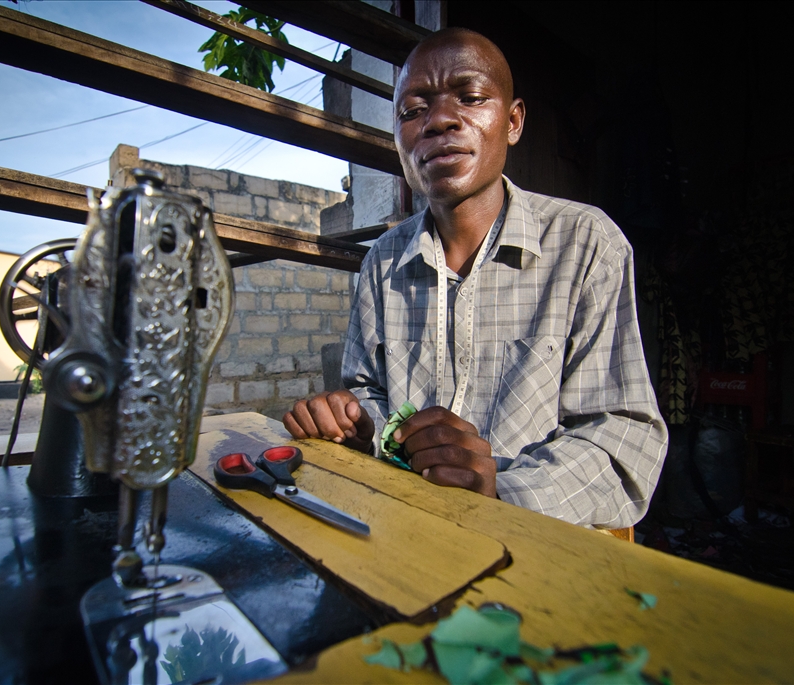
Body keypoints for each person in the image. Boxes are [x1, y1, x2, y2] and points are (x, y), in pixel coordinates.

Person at [283, 28, 668, 529]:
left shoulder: (585, 243)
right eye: (412, 111)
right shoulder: (382, 260)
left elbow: (621, 437)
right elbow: (367, 393)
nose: (439, 121)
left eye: (470, 97)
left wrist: (500, 491)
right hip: (411, 527)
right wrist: (354, 424)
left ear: (512, 121)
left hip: (538, 544)